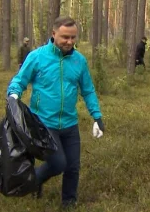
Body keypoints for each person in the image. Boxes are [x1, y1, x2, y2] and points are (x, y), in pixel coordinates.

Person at [6, 16, 104, 209]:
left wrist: (97, 116)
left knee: (73, 166)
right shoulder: (37, 57)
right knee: (59, 164)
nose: (69, 42)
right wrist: (14, 94)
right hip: (43, 124)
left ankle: (69, 202)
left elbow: (88, 90)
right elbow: (20, 80)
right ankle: (35, 181)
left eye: (73, 37)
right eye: (65, 37)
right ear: (53, 34)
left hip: (70, 124)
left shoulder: (79, 61)